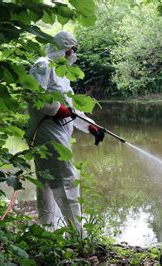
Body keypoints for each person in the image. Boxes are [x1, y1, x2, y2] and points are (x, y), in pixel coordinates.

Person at [25, 31, 105, 233]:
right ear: (61, 47)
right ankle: (77, 235)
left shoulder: (62, 74)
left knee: (46, 183)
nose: (73, 54)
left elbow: (69, 108)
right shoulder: (43, 65)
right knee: (66, 179)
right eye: (71, 50)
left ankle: (48, 230)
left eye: (75, 50)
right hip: (46, 133)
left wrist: (90, 126)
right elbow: (32, 95)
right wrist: (54, 108)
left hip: (58, 132)